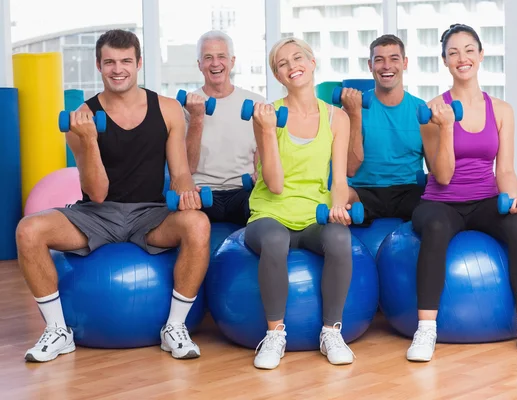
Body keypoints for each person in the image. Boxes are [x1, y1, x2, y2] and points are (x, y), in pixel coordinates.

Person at [15, 29, 211, 362]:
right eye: (109, 62)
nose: (117, 69)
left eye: (125, 61)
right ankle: (58, 330)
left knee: (198, 224)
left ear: (139, 63)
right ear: (98, 65)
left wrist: (186, 192)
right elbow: (97, 192)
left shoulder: (167, 109)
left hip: (150, 214)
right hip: (95, 214)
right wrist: (89, 140)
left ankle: (174, 328)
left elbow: (179, 172)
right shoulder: (80, 120)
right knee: (28, 230)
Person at [407, 24, 517, 362]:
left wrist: (514, 200)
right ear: (444, 61)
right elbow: (442, 175)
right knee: (434, 228)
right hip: (441, 202)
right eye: (453, 52)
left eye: (469, 50)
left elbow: (504, 169)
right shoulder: (432, 111)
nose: (462, 58)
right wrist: (446, 127)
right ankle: (426, 329)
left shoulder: (502, 110)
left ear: (481, 55)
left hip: (486, 199)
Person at [244, 37, 355, 370]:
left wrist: (338, 208)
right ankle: (275, 333)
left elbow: (339, 181)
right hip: (270, 212)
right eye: (282, 63)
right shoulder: (268, 116)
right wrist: (265, 131)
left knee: (339, 238)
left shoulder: (337, 118)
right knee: (275, 240)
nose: (292, 66)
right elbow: (275, 185)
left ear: (312, 62)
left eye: (298, 58)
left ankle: (331, 332)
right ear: (278, 76)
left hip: (314, 215)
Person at [341, 34, 427, 225]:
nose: (386, 66)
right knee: (340, 196)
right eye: (379, 60)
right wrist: (355, 114)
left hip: (409, 191)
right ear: (370, 66)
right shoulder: (351, 108)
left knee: (436, 207)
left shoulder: (421, 110)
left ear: (404, 63)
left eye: (394, 59)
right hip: (364, 191)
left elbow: (438, 172)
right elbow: (350, 169)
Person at [182, 30, 265, 226]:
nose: (215, 63)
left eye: (222, 57)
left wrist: (259, 175)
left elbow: (260, 157)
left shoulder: (255, 103)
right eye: (208, 58)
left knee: (266, 215)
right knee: (187, 217)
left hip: (243, 191)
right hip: (203, 192)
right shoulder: (185, 107)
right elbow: (188, 167)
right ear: (199, 65)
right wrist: (196, 118)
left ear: (232, 61)